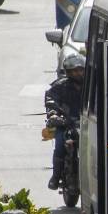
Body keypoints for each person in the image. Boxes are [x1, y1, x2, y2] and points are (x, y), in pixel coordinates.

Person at [44, 53, 85, 191]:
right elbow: (50, 99)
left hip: (86, 124)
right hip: (66, 123)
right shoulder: (60, 86)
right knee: (61, 145)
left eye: (79, 70)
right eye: (72, 71)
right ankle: (56, 177)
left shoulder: (92, 85)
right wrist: (53, 114)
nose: (76, 73)